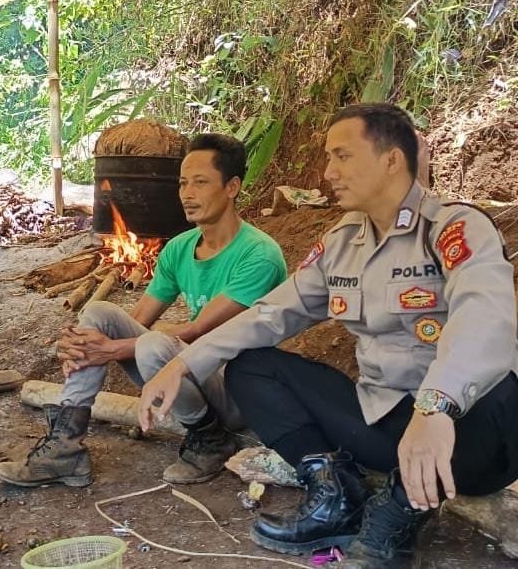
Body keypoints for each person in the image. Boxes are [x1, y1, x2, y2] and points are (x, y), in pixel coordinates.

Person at [139, 104, 518, 568]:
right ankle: (337, 492)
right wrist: (183, 362)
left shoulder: (453, 228)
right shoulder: (342, 243)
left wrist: (436, 405)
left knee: (504, 384)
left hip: (469, 436)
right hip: (387, 424)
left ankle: (396, 516)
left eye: (342, 156)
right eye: (328, 157)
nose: (328, 172)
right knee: (252, 366)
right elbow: (271, 314)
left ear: (391, 159)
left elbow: (486, 316)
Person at [0, 134, 287, 488]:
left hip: (241, 392)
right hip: (189, 377)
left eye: (200, 182)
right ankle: (65, 447)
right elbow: (137, 321)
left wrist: (112, 349)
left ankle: (211, 439)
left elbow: (198, 333)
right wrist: (80, 343)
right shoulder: (179, 249)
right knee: (101, 312)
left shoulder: (260, 255)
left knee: (154, 345)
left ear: (232, 187)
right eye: (182, 183)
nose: (186, 193)